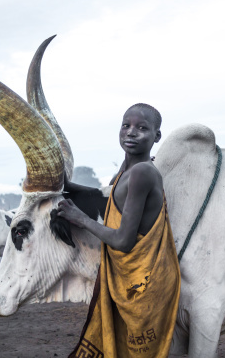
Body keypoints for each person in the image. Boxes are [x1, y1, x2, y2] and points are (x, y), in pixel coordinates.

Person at [58, 103, 181, 358]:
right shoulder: (125, 171)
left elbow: (124, 241)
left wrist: (80, 219)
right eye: (126, 125)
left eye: (142, 128)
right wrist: (66, 185)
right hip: (130, 280)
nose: (131, 132)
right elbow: (111, 195)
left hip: (142, 284)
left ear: (156, 137)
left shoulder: (143, 172)